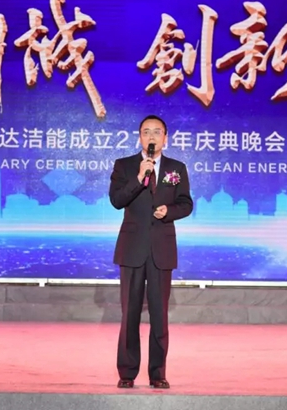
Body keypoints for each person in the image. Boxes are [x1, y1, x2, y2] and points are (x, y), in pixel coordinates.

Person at [108, 114, 193, 390]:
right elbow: (116, 200)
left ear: (165, 138)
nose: (152, 136)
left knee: (159, 315)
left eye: (157, 132)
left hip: (161, 249)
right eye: (146, 132)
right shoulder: (124, 166)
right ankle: (127, 372)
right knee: (130, 314)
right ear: (140, 137)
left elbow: (186, 204)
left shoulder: (176, 168)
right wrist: (139, 177)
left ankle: (158, 373)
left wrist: (169, 211)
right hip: (132, 249)